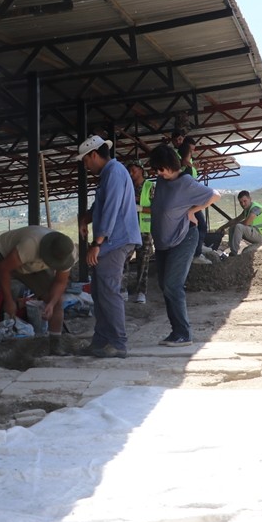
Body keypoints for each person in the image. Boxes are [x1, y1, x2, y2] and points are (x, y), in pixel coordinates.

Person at [149, 144, 220, 346]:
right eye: (156, 170)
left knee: (173, 284)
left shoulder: (186, 182)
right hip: (163, 243)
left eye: (160, 168)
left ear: (170, 164)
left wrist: (192, 211)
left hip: (183, 238)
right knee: (164, 285)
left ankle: (183, 333)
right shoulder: (162, 181)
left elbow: (215, 195)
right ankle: (175, 331)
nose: (158, 173)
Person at [78, 134, 141, 358]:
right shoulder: (109, 174)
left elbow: (111, 209)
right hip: (114, 240)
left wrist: (97, 243)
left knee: (108, 291)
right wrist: (86, 217)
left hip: (116, 241)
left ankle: (118, 342)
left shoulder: (114, 173)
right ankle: (101, 340)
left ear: (94, 155)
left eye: (85, 160)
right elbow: (101, 205)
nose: (85, 165)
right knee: (99, 292)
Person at [0, 226, 76, 355]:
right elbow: (3, 269)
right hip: (4, 256)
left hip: (31, 263)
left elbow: (60, 282)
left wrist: (51, 304)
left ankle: (55, 347)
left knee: (57, 302)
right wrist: (9, 301)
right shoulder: (30, 245)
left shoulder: (68, 254)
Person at [171, 126, 210, 260]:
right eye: (176, 140)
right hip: (186, 198)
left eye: (180, 139)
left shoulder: (189, 160)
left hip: (190, 196)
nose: (178, 142)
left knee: (196, 225)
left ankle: (195, 251)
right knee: (198, 225)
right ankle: (195, 254)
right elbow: (182, 163)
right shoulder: (176, 156)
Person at [127, 160, 155, 304]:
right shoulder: (127, 187)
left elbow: (157, 208)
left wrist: (141, 208)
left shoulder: (150, 186)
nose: (131, 174)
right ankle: (123, 289)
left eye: (134, 170)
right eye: (129, 171)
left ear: (141, 170)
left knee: (143, 262)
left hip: (144, 230)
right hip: (129, 229)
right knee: (124, 259)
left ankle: (141, 292)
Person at [221, 190, 262, 256]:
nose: (243, 204)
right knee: (233, 227)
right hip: (256, 233)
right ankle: (232, 250)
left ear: (250, 199)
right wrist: (222, 228)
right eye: (241, 202)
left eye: (245, 201)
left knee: (239, 227)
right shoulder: (247, 210)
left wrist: (235, 225)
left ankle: (234, 253)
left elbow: (246, 223)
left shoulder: (255, 208)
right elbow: (236, 220)